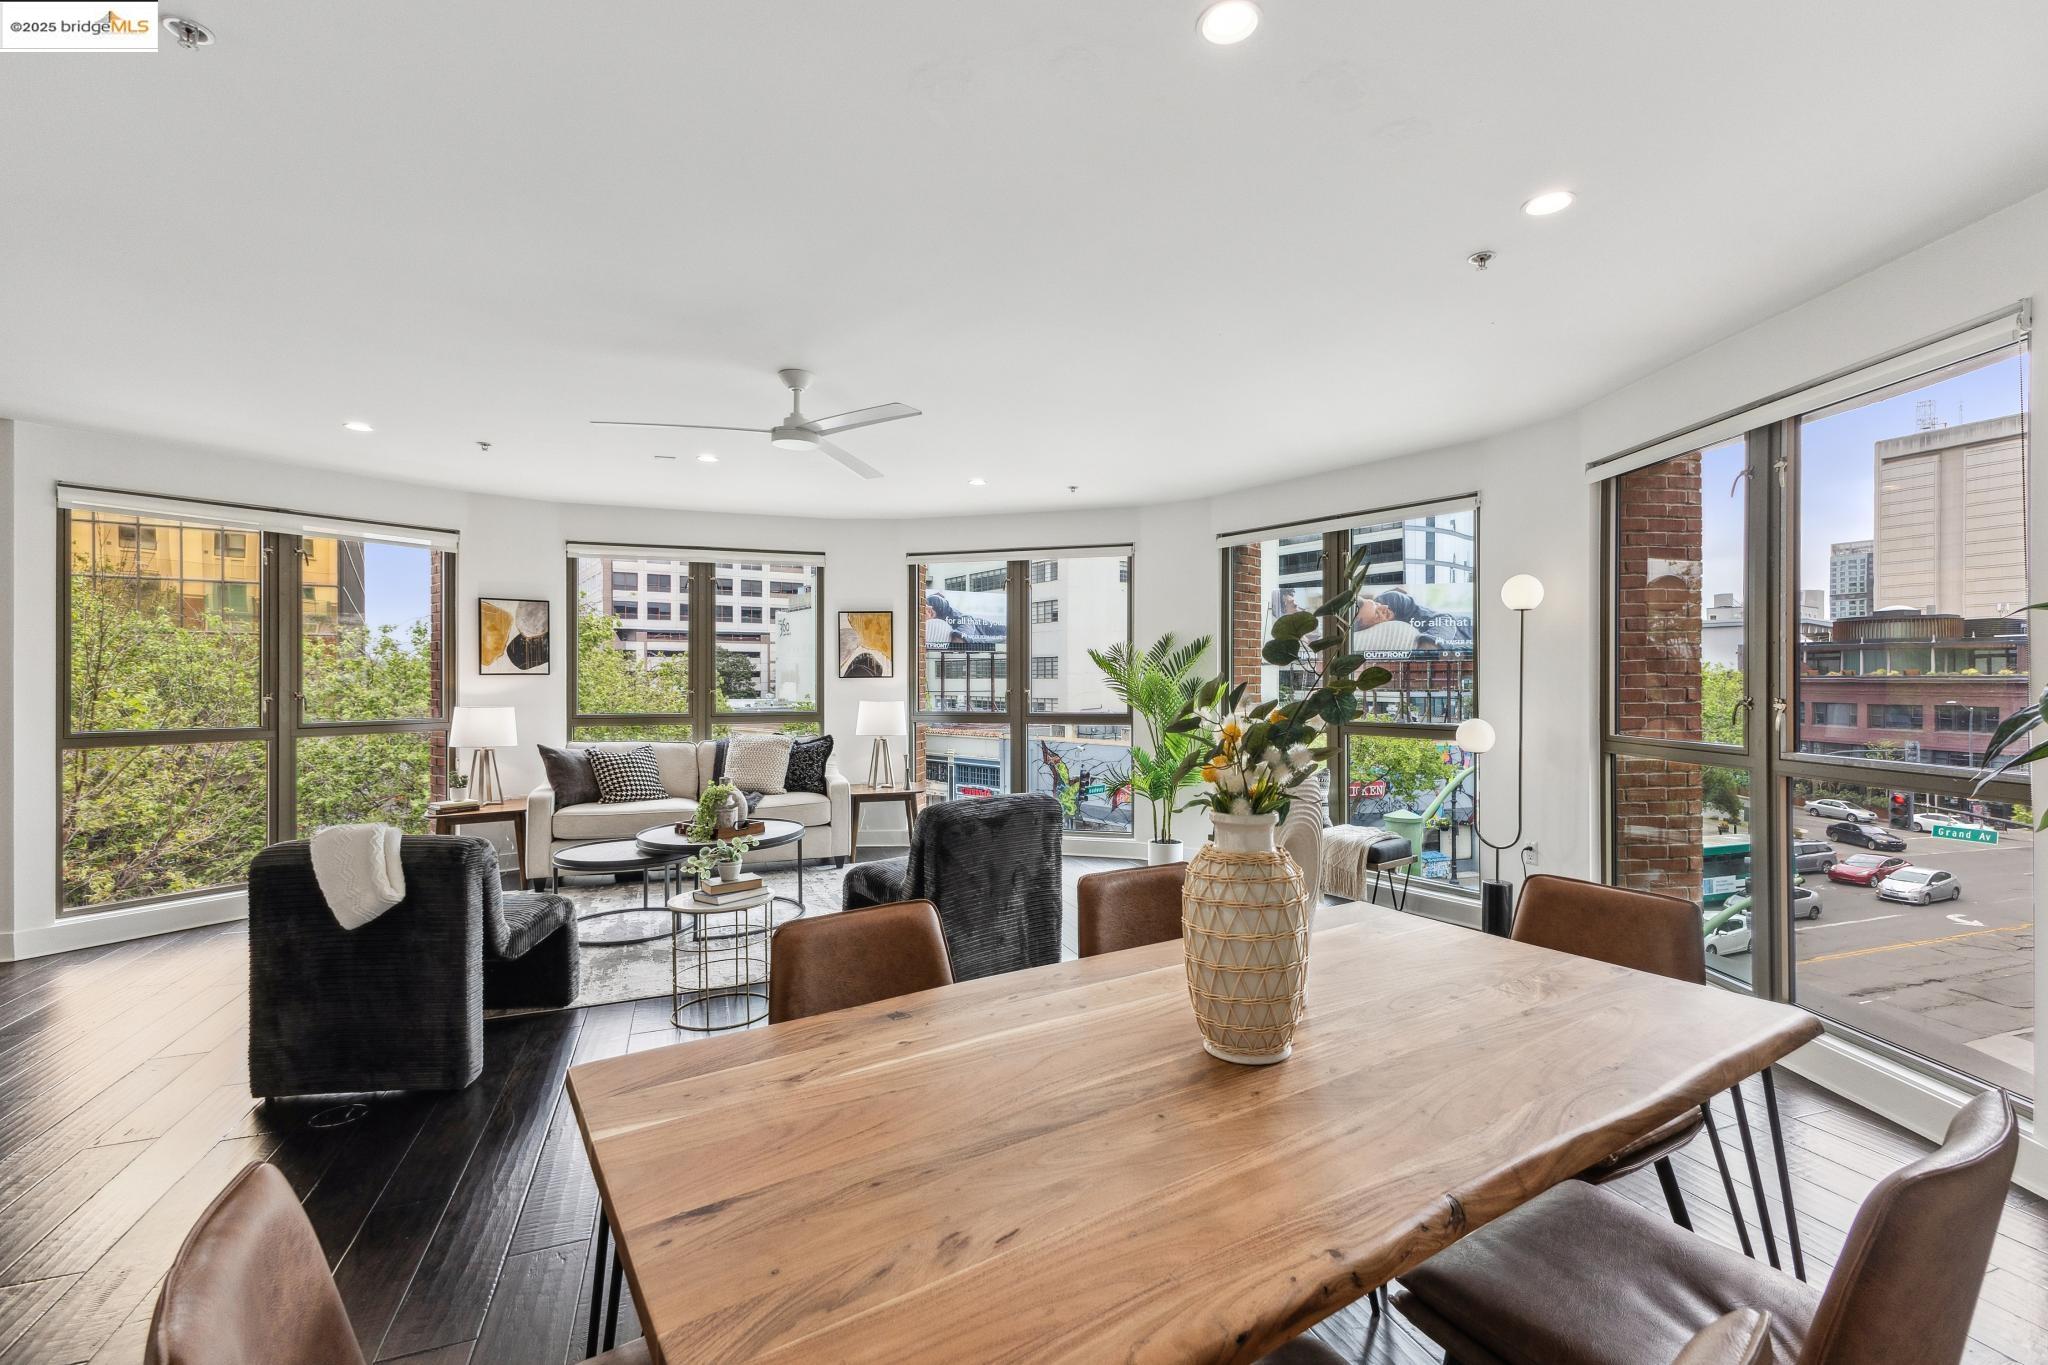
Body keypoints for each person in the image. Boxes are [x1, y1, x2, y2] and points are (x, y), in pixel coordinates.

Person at [1355, 588, 1473, 650]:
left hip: (1468, 629)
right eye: (1377, 613)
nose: (1384, 607)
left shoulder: (1392, 599)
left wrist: (1427, 645)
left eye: (1375, 603)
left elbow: (1445, 620)